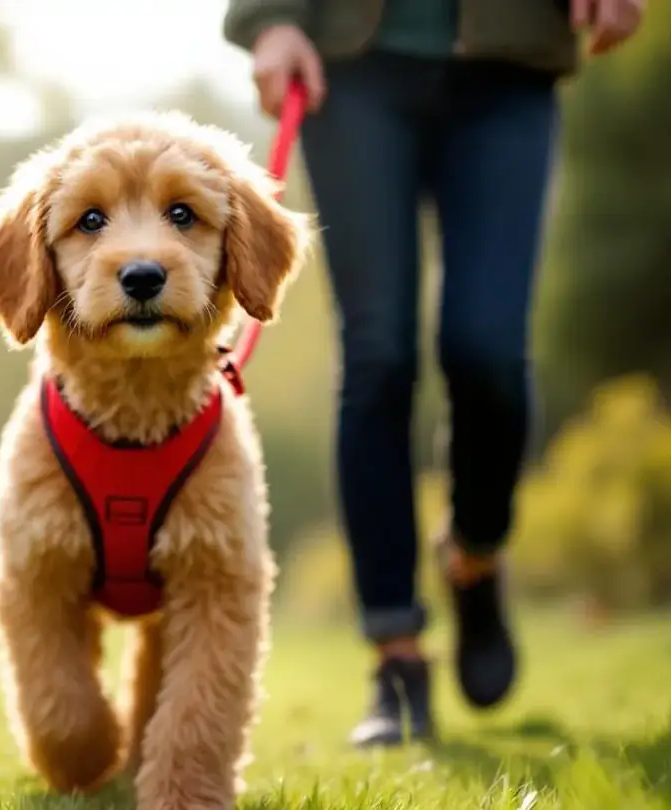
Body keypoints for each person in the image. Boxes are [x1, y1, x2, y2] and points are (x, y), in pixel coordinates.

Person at [222, 0, 645, 747]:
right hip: (351, 65)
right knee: (378, 355)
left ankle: (474, 556)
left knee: (488, 348)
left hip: (507, 64)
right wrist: (269, 18)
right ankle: (396, 657)